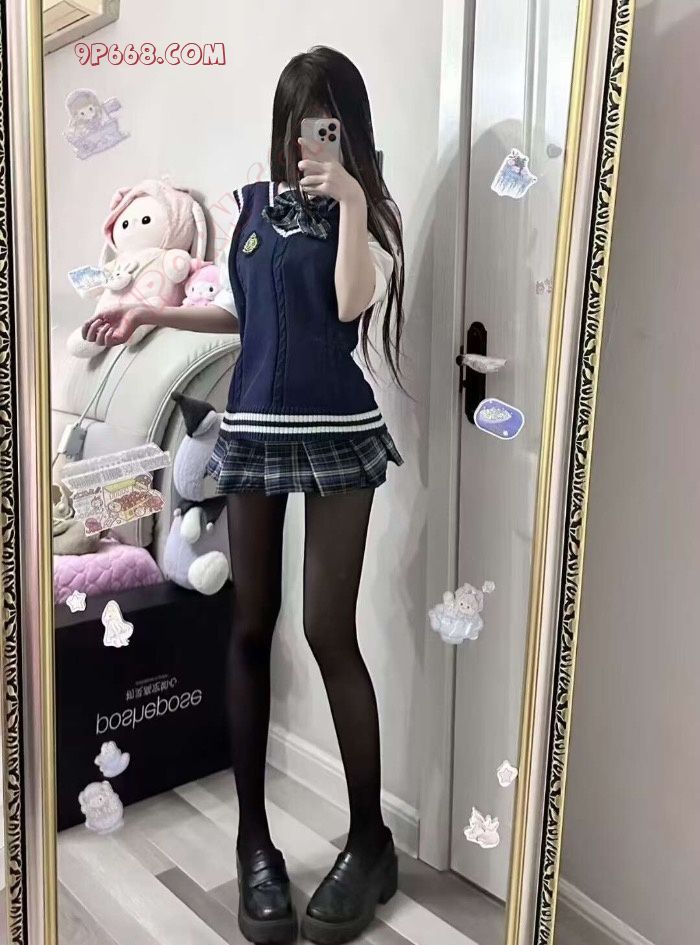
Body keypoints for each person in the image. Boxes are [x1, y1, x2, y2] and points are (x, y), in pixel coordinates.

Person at [82, 45, 406, 945]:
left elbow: (349, 305)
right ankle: (254, 843)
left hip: (338, 436)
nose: (305, 139)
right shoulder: (252, 209)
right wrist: (153, 311)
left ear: (346, 126)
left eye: (322, 120)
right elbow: (242, 313)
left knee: (329, 632)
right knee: (251, 626)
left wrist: (349, 200)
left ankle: (371, 842)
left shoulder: (368, 215)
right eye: (295, 121)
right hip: (255, 432)